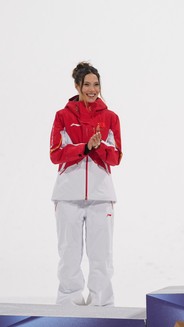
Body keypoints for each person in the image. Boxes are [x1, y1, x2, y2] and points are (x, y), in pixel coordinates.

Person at [49, 62, 122, 306]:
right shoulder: (63, 116)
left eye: (96, 84)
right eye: (87, 84)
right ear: (77, 86)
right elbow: (55, 154)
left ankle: (101, 304)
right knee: (69, 254)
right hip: (68, 194)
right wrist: (84, 147)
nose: (93, 89)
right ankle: (69, 303)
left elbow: (116, 156)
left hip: (101, 196)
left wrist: (98, 146)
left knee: (101, 256)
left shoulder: (111, 118)